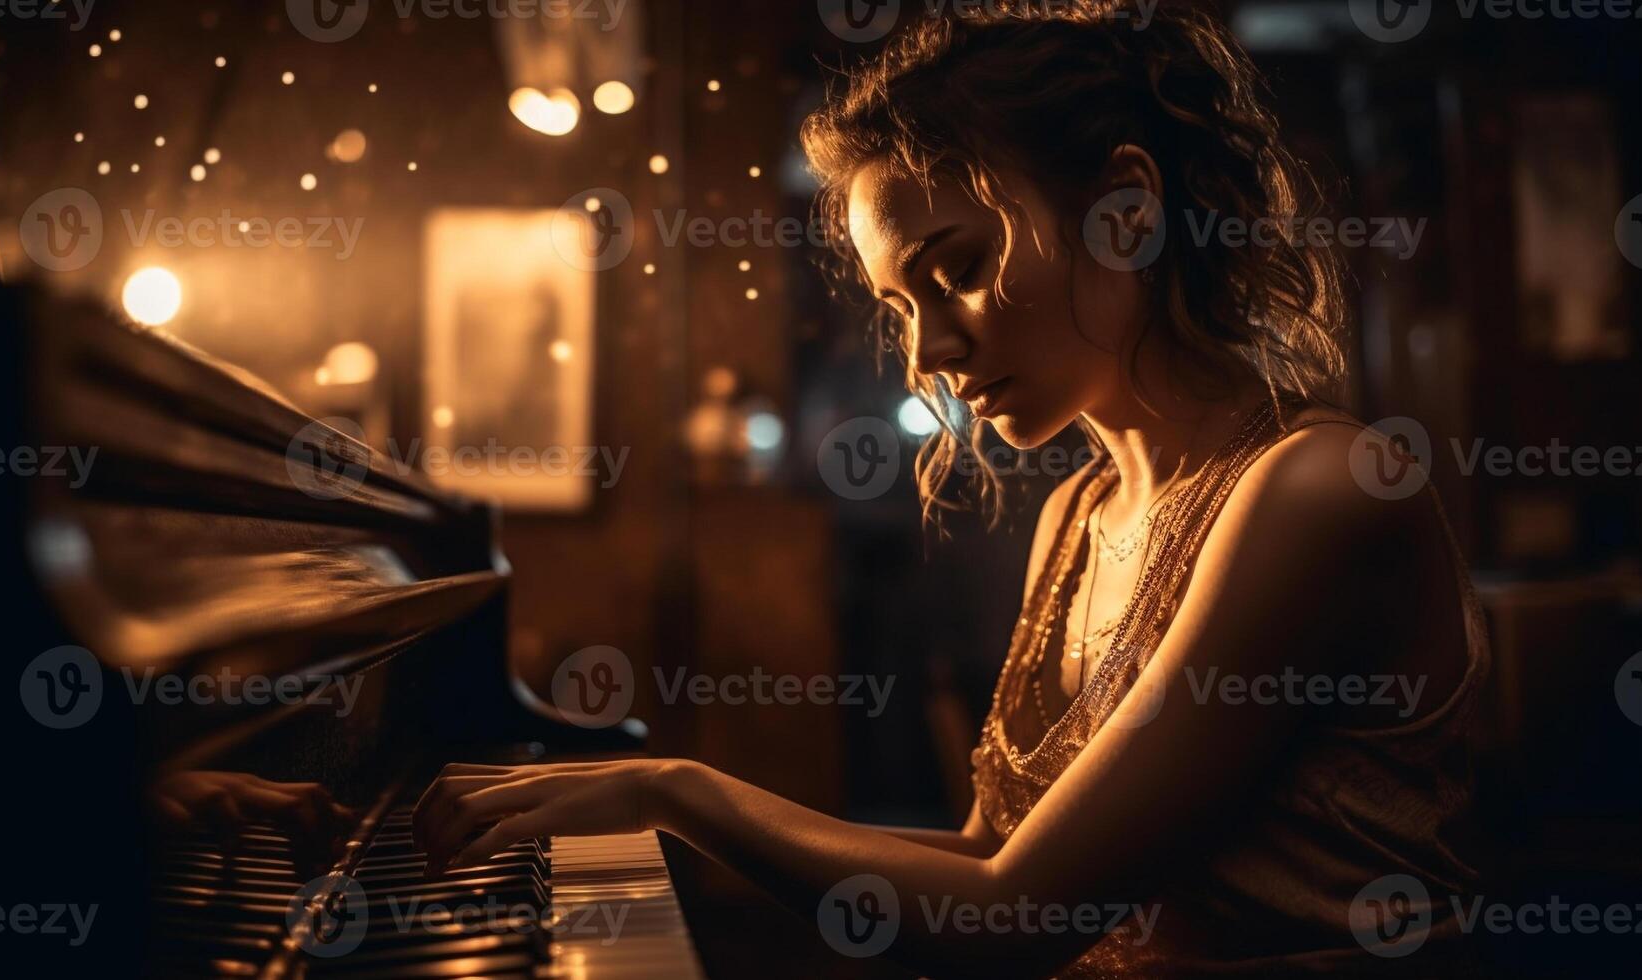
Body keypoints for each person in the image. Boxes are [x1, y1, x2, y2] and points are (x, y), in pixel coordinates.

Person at [413, 4, 1488, 974]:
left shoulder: (1315, 487)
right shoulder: (1078, 514)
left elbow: (1012, 917)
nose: (927, 348)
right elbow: (990, 851)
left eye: (957, 267)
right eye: (900, 302)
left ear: (1124, 212)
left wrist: (674, 790)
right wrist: (665, 819)